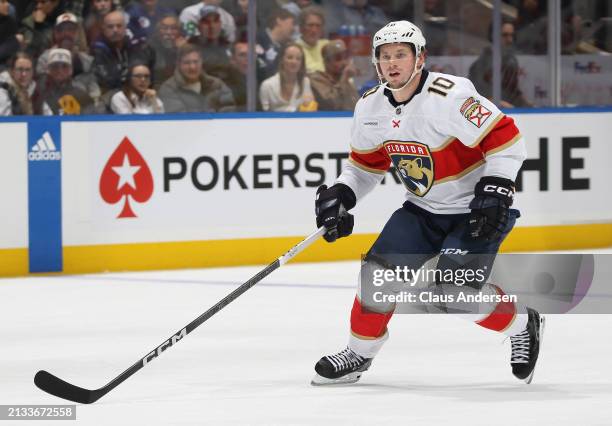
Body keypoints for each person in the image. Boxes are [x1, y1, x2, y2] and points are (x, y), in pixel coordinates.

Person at [311, 21, 544, 386]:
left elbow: (507, 139)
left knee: (454, 294)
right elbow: (365, 166)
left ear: (420, 58)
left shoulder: (450, 96)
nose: (392, 63)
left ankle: (522, 323)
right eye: (385, 56)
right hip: (422, 211)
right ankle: (359, 353)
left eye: (400, 54)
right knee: (376, 277)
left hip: (473, 211)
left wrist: (497, 188)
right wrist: (341, 194)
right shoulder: (370, 107)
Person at [468, 19, 532, 108]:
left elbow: (512, 92)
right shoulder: (480, 65)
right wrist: (500, 103)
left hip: (510, 112)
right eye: (505, 35)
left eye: (512, 35)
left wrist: (528, 105)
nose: (510, 40)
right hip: (491, 115)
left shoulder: (511, 61)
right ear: (493, 36)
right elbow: (477, 97)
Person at [91, 10, 156, 94]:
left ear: (125, 28)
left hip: (138, 92)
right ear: (104, 29)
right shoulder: (98, 48)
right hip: (111, 95)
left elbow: (144, 74)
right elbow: (108, 81)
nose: (115, 30)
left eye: (119, 26)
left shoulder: (136, 45)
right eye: (110, 27)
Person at [158, 43, 235, 112]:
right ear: (178, 64)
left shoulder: (216, 84)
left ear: (201, 62)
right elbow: (179, 119)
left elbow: (229, 109)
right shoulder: (169, 88)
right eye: (187, 63)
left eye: (196, 62)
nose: (192, 67)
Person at [259, 42, 316, 112]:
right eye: (290, 58)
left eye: (298, 59)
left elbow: (311, 110)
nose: (294, 62)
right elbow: (262, 116)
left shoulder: (305, 82)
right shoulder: (267, 85)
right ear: (282, 60)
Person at [38, 48, 95, 115]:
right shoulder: (41, 97)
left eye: (64, 66)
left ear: (71, 70)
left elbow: (90, 122)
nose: (60, 71)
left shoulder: (82, 96)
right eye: (55, 66)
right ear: (48, 70)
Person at [309, 39, 359, 111]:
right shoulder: (316, 79)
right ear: (326, 62)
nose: (344, 62)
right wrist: (344, 79)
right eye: (338, 58)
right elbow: (332, 105)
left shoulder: (345, 79)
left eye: (345, 57)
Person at [0, 51, 48, 115]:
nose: (24, 74)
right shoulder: (3, 90)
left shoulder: (35, 91)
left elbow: (49, 116)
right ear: (12, 71)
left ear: (32, 72)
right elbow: (5, 121)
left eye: (28, 70)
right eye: (20, 69)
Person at [295, 6, 329, 74]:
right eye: (310, 25)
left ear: (322, 29)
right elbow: (314, 71)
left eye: (318, 25)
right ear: (300, 28)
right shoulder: (295, 48)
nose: (314, 30)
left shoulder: (327, 45)